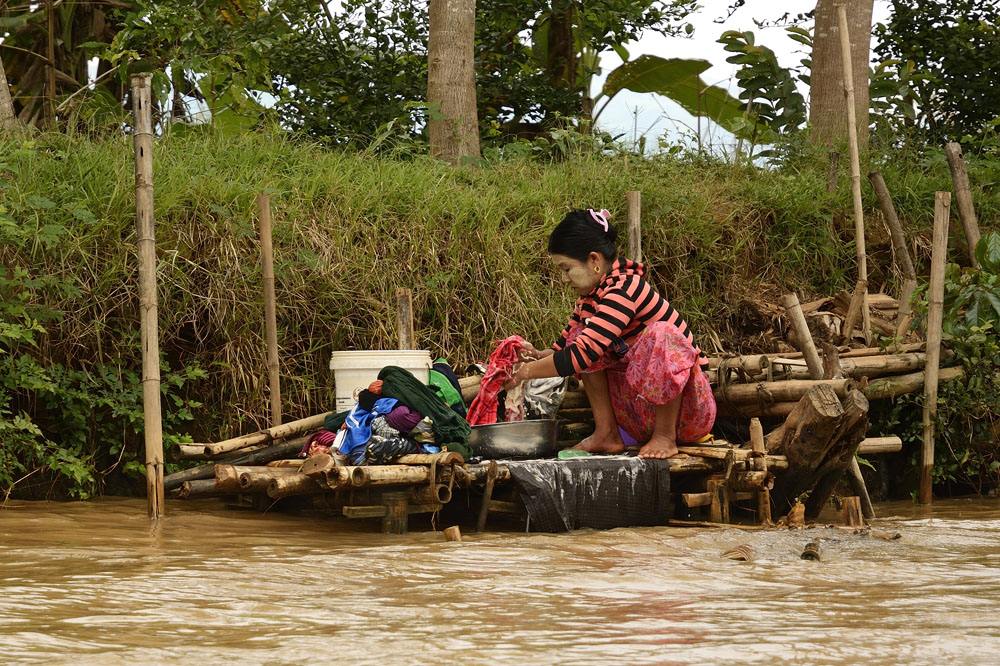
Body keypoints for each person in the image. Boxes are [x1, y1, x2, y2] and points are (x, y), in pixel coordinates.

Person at [508, 208, 716, 459]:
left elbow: (583, 354)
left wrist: (522, 374)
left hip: (687, 415)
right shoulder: (588, 300)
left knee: (663, 334)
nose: (564, 279)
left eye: (566, 269)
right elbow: (563, 350)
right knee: (580, 337)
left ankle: (665, 436)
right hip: (637, 415)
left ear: (594, 261)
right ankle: (606, 433)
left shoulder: (626, 288)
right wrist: (533, 357)